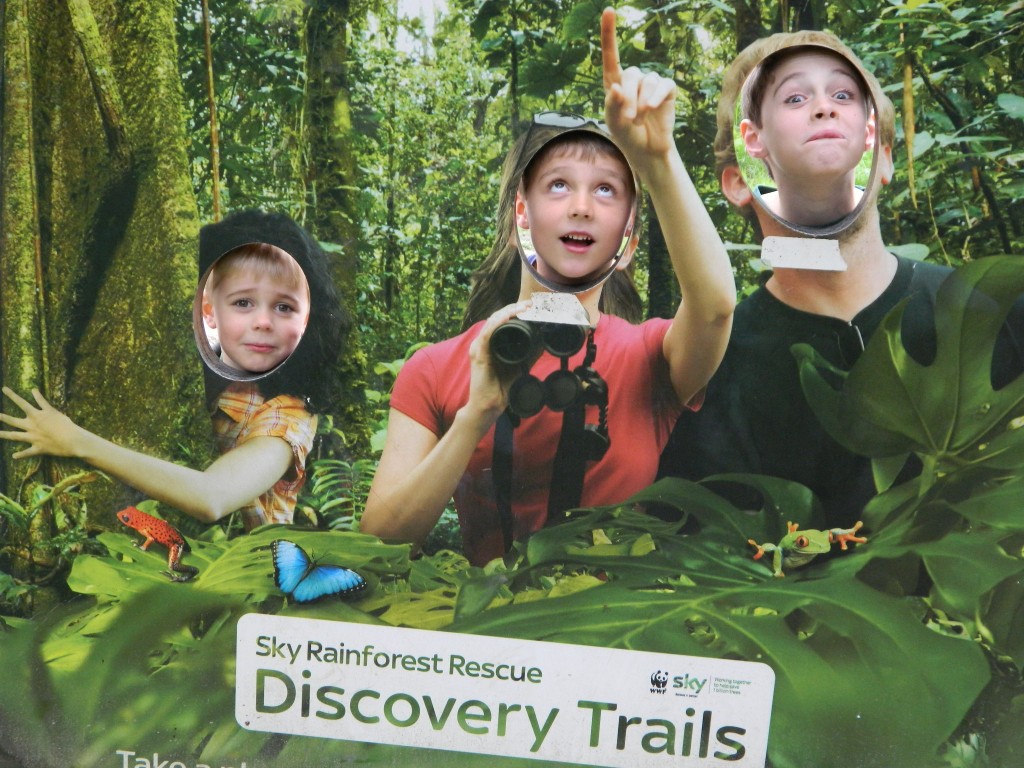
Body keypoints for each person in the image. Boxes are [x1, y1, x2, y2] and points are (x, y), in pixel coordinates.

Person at [360, 9, 736, 565]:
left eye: (606, 191)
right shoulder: (437, 369)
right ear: (522, 214)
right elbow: (377, 544)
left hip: (611, 630)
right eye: (558, 185)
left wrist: (658, 158)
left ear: (629, 240)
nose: (581, 206)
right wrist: (476, 415)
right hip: (483, 636)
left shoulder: (646, 357)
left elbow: (715, 308)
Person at [657, 31, 1024, 527]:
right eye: (793, 97)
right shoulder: (711, 373)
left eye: (844, 95)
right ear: (741, 178)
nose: (824, 108)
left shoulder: (994, 310)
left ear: (886, 157)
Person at [0, 210, 346, 531]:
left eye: (284, 307)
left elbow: (213, 497)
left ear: (307, 321)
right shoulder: (189, 371)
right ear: (208, 307)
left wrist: (76, 441)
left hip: (242, 589)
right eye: (243, 302)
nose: (262, 323)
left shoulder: (287, 413)